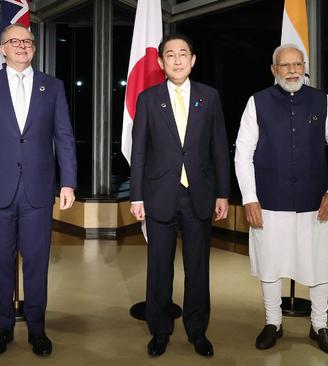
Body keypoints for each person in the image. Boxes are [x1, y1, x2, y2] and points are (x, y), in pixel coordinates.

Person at [0, 23, 77, 357]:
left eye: (27, 41)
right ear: (2, 48)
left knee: (37, 262)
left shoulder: (52, 87)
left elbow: (65, 138)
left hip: (39, 192)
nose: (22, 46)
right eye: (14, 41)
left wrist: (68, 181)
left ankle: (38, 329)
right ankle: (2, 326)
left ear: (34, 47)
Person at [234, 44, 328, 356]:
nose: (292, 70)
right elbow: (242, 153)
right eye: (285, 65)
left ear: (304, 67)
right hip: (268, 202)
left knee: (319, 264)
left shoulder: (321, 100)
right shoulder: (256, 102)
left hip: (317, 203)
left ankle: (319, 325)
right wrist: (249, 198)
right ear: (274, 70)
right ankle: (273, 322)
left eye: (297, 64)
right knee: (270, 266)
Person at [129, 34, 230, 358]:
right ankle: (160, 330)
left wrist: (223, 194)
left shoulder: (209, 97)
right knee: (159, 268)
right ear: (160, 62)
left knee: (198, 269)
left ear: (193, 59)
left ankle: (197, 330)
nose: (176, 60)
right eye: (169, 55)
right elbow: (140, 152)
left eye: (182, 54)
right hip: (159, 195)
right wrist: (136, 197)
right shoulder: (148, 98)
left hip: (199, 196)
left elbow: (219, 149)